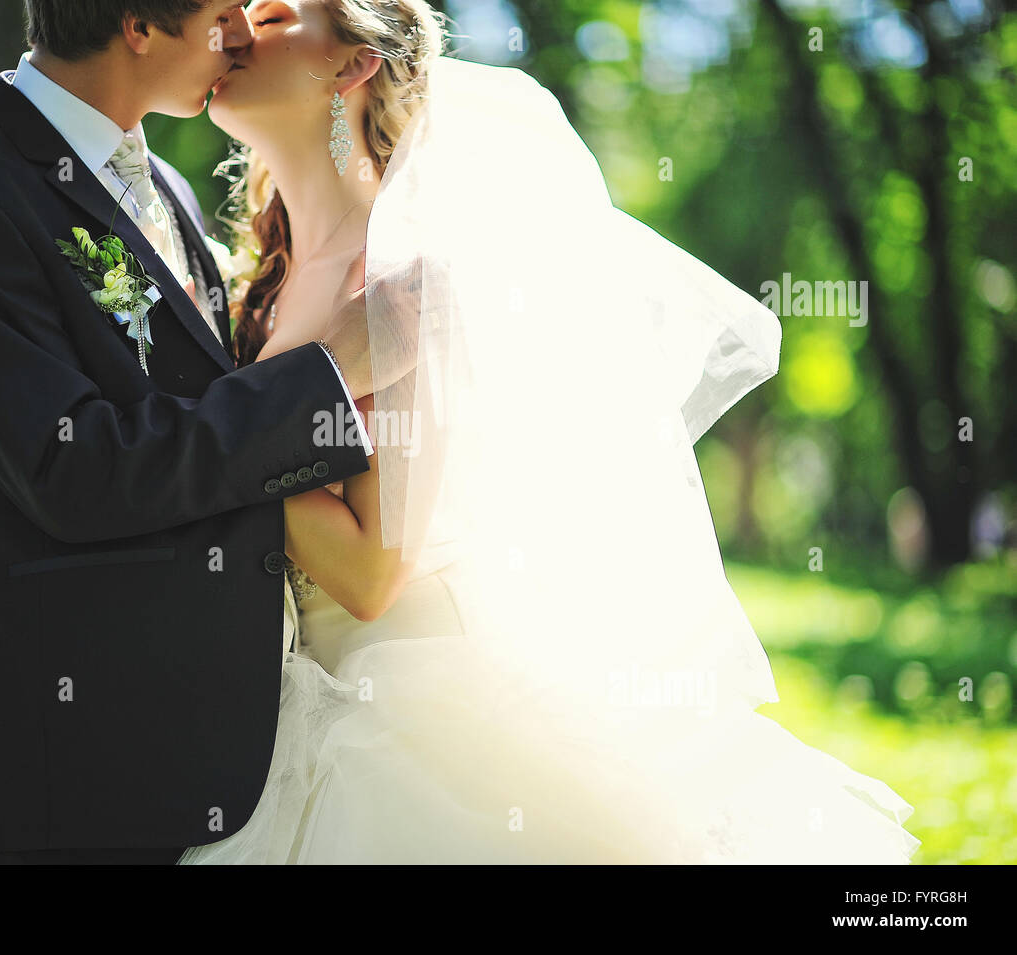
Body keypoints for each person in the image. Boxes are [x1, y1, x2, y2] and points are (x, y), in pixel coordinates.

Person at [177, 0, 921, 863]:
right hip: (277, 695)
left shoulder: (403, 278)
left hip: (403, 705)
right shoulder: (256, 281)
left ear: (353, 66)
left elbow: (374, 570)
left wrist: (217, 444)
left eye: (270, 15)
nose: (232, 29)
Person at [0, 0, 377, 865]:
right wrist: (328, 376)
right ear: (138, 26)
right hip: (97, 772)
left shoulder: (173, 190)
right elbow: (77, 467)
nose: (240, 36)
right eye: (224, 13)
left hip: (227, 749)